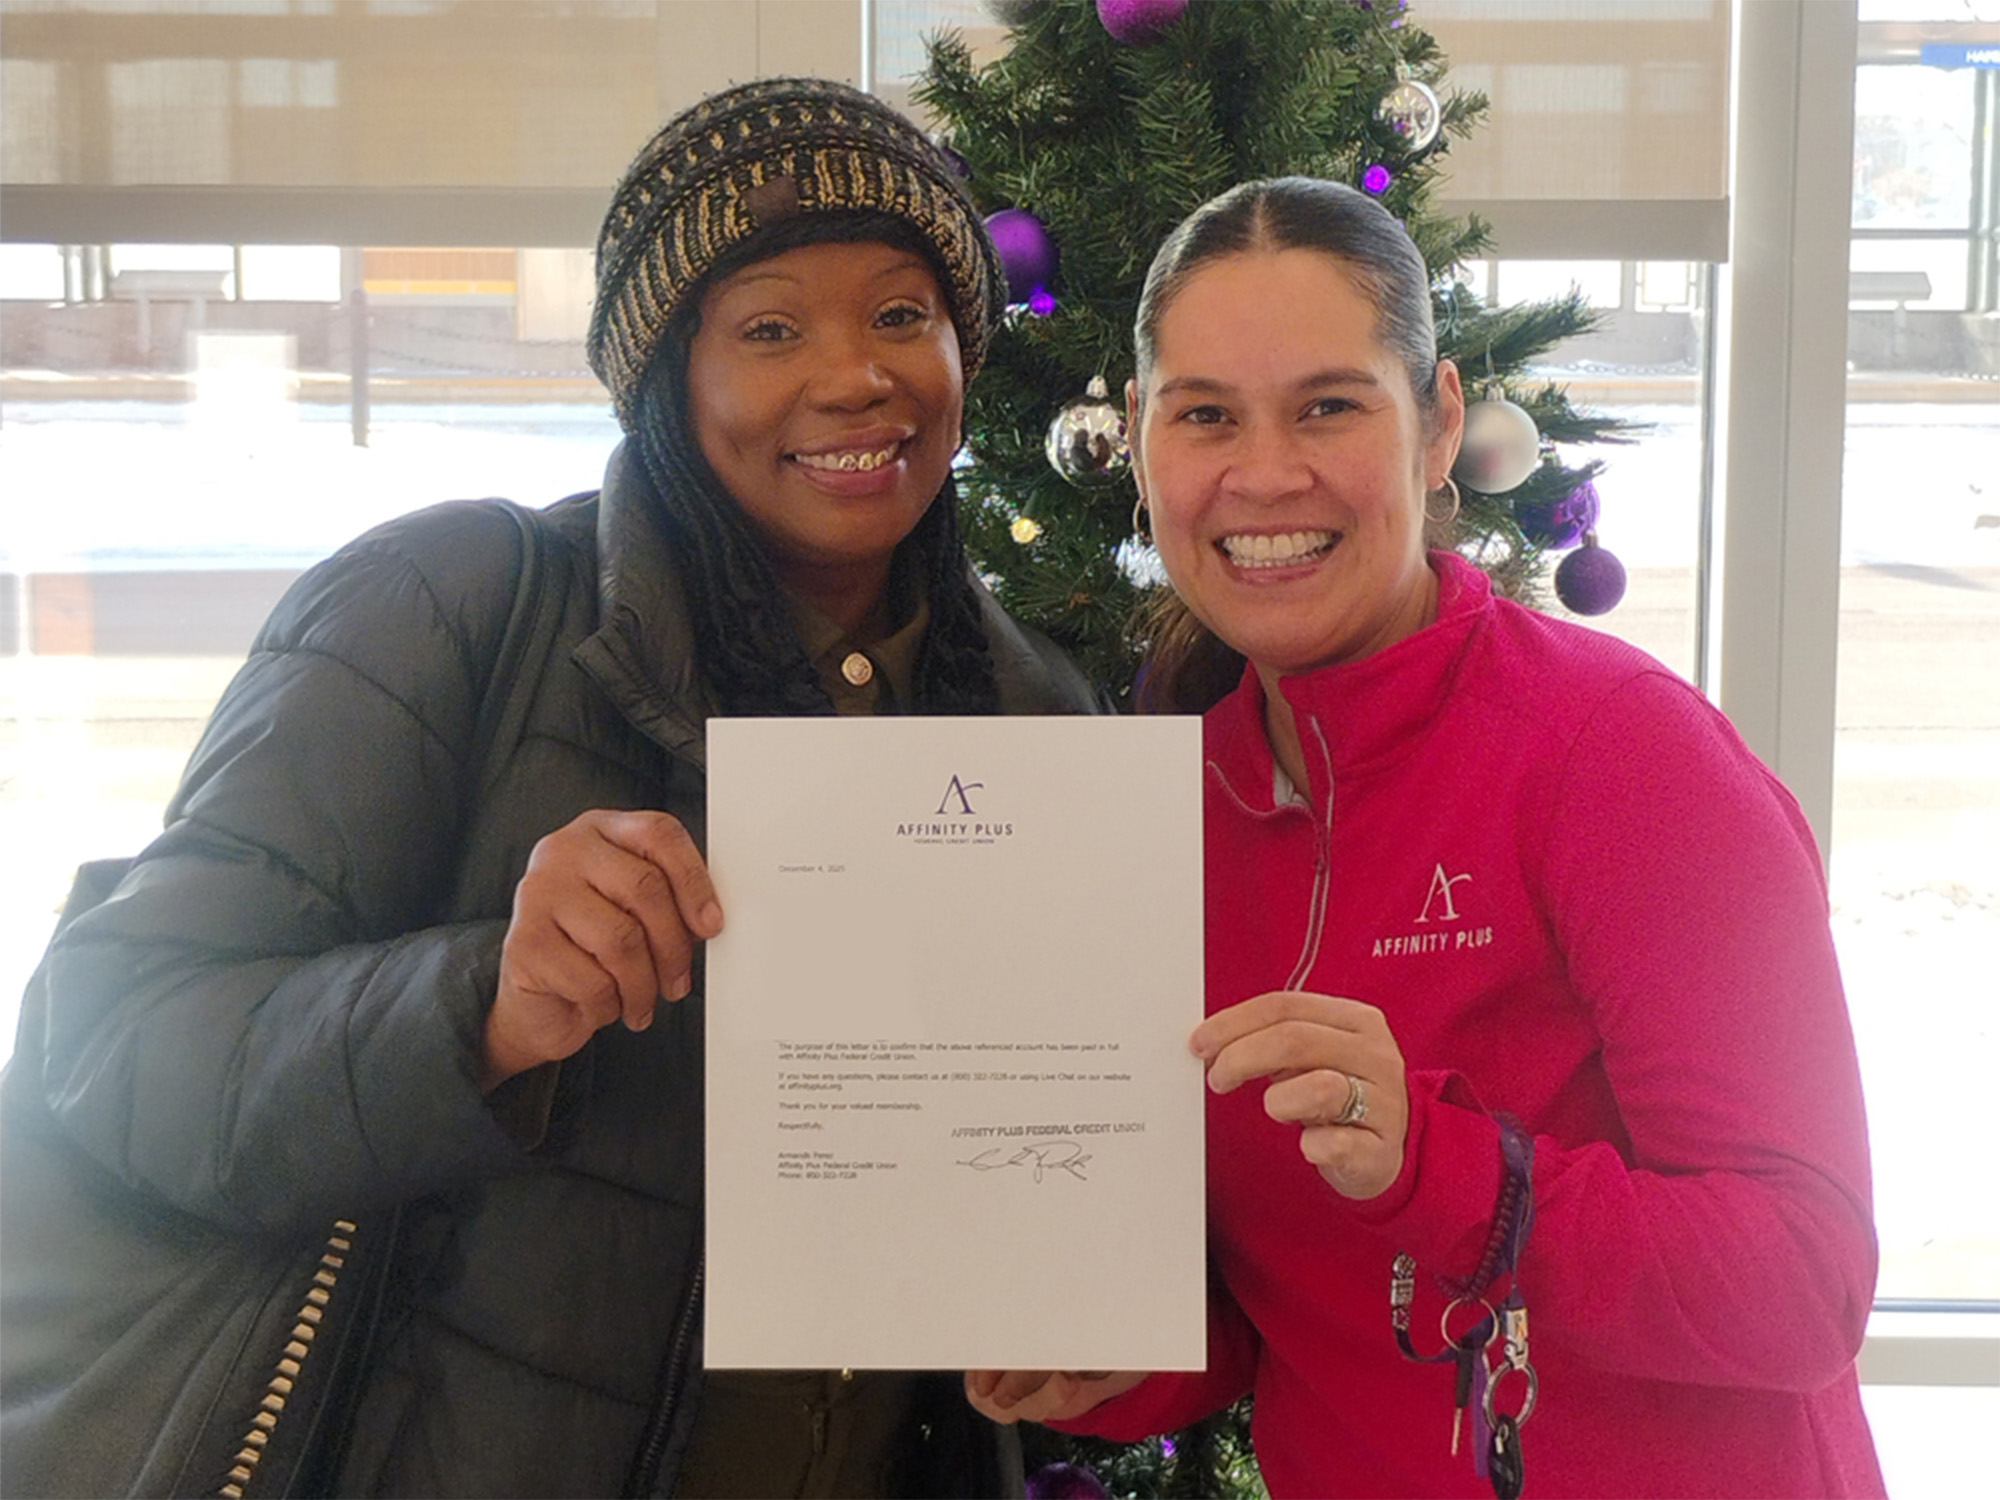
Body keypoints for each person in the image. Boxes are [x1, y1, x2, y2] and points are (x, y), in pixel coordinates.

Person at [13, 78, 1095, 1498]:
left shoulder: (1041, 715)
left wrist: (1055, 1323)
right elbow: (110, 1050)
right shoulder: (453, 606)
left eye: (904, 314)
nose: (855, 376)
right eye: (769, 327)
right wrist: (483, 1007)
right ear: (667, 374)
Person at [965, 178, 1885, 1498]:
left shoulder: (1619, 755)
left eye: (1331, 406)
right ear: (1143, 438)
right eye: (1206, 414)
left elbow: (1804, 1286)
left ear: (1439, 423)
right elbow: (1281, 1301)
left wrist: (1453, 1171)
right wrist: (1108, 1368)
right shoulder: (1157, 820)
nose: (1264, 474)